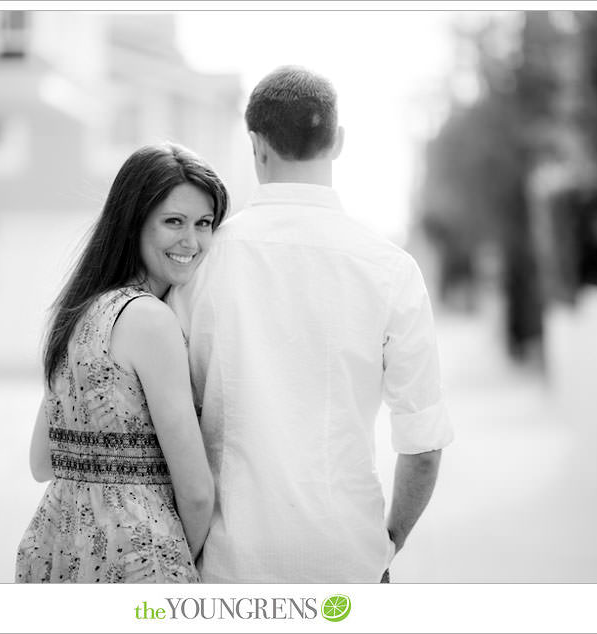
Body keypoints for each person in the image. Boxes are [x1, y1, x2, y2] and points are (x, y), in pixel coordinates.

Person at [168, 66, 454, 583]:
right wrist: (388, 543)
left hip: (231, 565)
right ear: (338, 142)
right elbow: (423, 445)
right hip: (348, 562)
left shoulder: (199, 264)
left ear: (256, 146)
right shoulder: (391, 270)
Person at [16, 142, 228, 583]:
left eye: (204, 223)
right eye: (174, 221)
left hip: (56, 546)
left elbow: (42, 462)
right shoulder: (151, 320)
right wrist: (170, 560)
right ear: (134, 223)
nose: (191, 241)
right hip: (136, 557)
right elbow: (195, 491)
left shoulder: (79, 313)